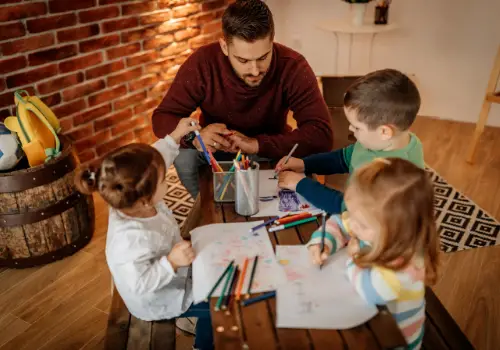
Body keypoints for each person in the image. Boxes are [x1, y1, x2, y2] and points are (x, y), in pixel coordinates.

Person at [152, 0, 333, 199]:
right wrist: (195, 138)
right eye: (243, 61)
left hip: (270, 149)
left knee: (302, 172)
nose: (255, 71)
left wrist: (256, 144)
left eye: (263, 57)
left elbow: (321, 134)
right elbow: (162, 117)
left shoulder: (293, 65)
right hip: (216, 150)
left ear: (272, 41)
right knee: (183, 155)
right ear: (224, 46)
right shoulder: (202, 63)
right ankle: (205, 206)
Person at [74, 118, 214, 350]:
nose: (167, 182)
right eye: (163, 181)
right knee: (216, 304)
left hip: (174, 268)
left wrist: (175, 136)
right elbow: (140, 284)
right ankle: (202, 346)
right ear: (145, 197)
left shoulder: (129, 197)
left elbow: (155, 159)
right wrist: (171, 262)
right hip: (159, 297)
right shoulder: (130, 239)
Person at [307, 158, 440, 350]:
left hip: (395, 339)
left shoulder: (406, 263)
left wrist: (353, 257)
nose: (352, 224)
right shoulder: (371, 225)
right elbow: (339, 223)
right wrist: (323, 243)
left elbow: (371, 292)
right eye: (352, 214)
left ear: (397, 229)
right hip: (370, 319)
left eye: (361, 224)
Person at [276, 68, 425, 214]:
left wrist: (300, 184)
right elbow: (343, 158)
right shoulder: (377, 141)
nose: (350, 128)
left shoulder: (392, 176)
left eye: (357, 127)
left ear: (384, 132)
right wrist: (304, 164)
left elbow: (347, 208)